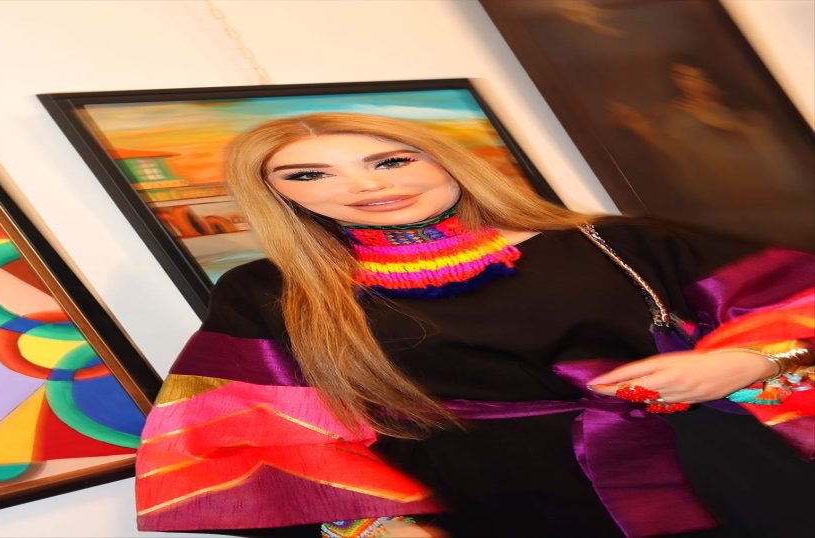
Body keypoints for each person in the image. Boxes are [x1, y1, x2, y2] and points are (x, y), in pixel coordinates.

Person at [135, 113, 814, 537]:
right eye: (311, 174)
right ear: (278, 195)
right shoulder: (271, 291)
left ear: (443, 160)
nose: (367, 187)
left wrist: (751, 363)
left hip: (719, 473)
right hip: (495, 506)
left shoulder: (619, 241)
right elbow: (243, 434)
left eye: (391, 160)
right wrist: (373, 526)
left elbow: (798, 306)